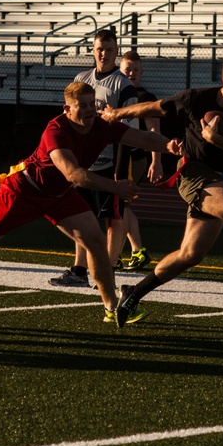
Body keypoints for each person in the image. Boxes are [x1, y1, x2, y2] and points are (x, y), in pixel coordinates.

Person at [0, 81, 182, 324]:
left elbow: (140, 138)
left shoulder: (101, 125)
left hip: (59, 195)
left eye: (93, 104)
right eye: (84, 106)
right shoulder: (56, 130)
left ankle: (111, 307)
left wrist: (169, 146)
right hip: (24, 191)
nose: (91, 110)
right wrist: (115, 186)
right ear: (67, 109)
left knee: (94, 240)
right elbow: (74, 174)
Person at [102, 54, 223, 327]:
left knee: (190, 255)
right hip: (194, 174)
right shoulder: (197, 99)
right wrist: (115, 114)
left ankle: (133, 294)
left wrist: (215, 138)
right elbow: (152, 107)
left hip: (218, 181)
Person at [49, 29, 138, 286]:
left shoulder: (123, 84)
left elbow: (127, 130)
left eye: (109, 49)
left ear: (116, 51)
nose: (104, 53)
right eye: (100, 48)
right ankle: (79, 270)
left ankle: (106, 270)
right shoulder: (81, 78)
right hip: (84, 161)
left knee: (113, 218)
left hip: (112, 161)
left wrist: (121, 171)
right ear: (92, 50)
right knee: (81, 215)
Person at [114, 49, 164, 270]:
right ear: (120, 70)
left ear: (142, 72)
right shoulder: (115, 92)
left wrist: (156, 160)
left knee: (120, 205)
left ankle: (117, 254)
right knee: (117, 206)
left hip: (133, 156)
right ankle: (135, 250)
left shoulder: (145, 98)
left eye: (135, 70)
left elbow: (154, 130)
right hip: (114, 154)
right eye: (127, 70)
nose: (131, 74)